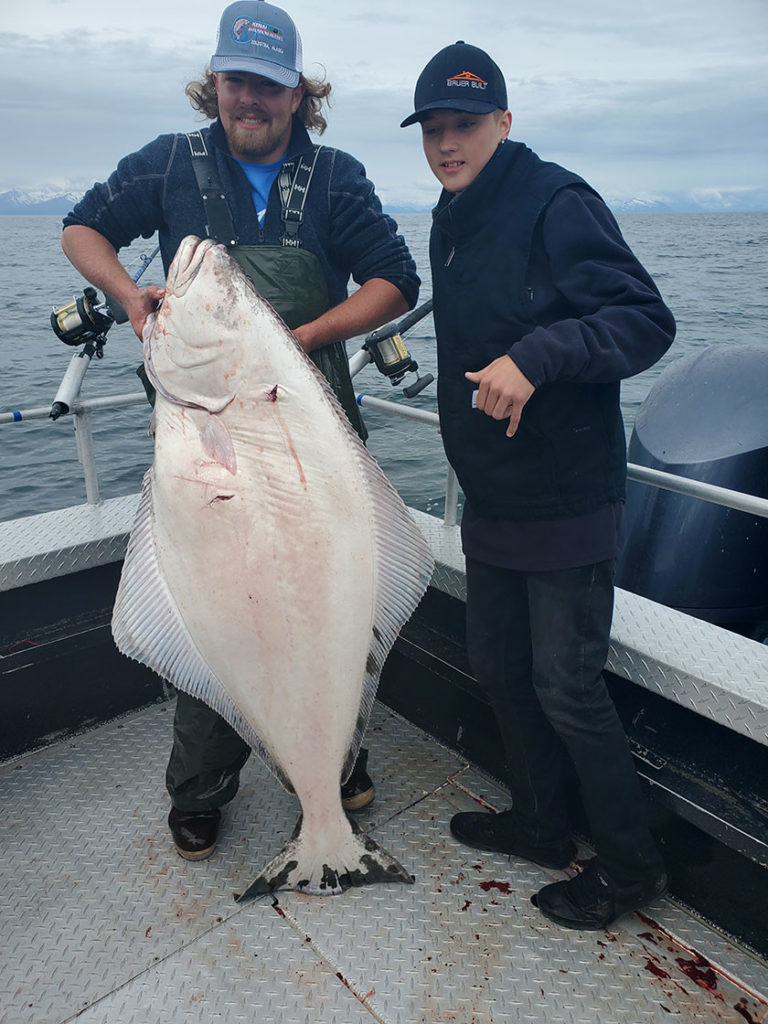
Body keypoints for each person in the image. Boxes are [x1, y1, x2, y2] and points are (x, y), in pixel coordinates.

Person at [61, 0, 420, 862]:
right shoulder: (168, 163)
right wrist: (129, 297)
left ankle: (334, 776)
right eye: (235, 80)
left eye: (268, 84)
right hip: (206, 448)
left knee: (333, 610)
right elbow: (82, 229)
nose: (248, 98)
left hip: (307, 427)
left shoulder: (336, 177)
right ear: (213, 82)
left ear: (299, 95)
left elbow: (395, 281)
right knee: (219, 607)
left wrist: (303, 341)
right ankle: (202, 786)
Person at [401, 41, 676, 930]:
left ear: (505, 122)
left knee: (567, 686)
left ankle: (632, 867)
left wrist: (537, 354)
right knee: (499, 669)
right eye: (435, 129)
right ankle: (543, 823)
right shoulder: (450, 211)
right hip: (495, 495)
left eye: (466, 126)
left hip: (566, 499)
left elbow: (643, 319)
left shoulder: (558, 200)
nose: (448, 143)